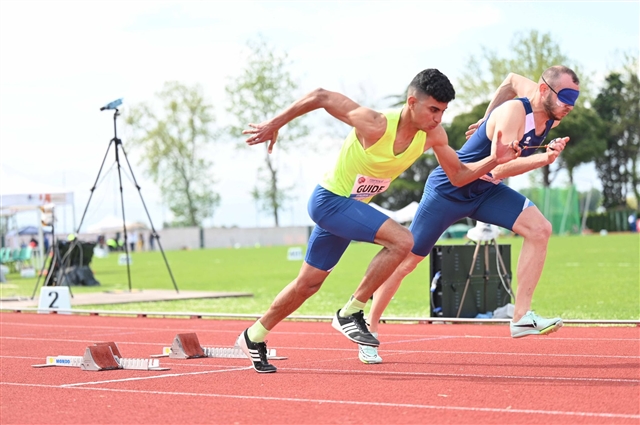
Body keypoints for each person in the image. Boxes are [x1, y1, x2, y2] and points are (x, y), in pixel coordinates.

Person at [235, 69, 521, 373]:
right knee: (402, 241)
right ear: (412, 102)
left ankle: (253, 336)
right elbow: (320, 96)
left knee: (307, 285)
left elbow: (459, 175)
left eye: (443, 111)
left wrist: (495, 160)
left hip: (348, 209)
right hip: (329, 201)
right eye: (433, 109)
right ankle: (352, 311)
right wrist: (274, 123)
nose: (438, 119)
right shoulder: (375, 124)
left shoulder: (433, 136)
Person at [358, 65, 580, 364]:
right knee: (407, 261)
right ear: (543, 89)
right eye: (565, 96)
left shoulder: (546, 108)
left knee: (540, 229)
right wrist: (544, 157)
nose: (570, 104)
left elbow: (512, 79)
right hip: (449, 189)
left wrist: (485, 119)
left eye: (575, 98)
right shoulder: (517, 111)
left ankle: (521, 317)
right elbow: (499, 166)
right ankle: (368, 328)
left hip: (485, 192)